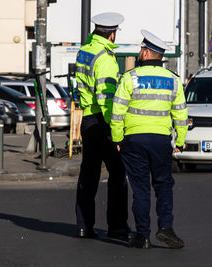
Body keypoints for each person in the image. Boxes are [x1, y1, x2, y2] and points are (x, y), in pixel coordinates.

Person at [110, 29, 188, 249]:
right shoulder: (173, 81)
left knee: (141, 188)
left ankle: (142, 235)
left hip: (133, 141)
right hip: (161, 140)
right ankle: (166, 228)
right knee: (163, 185)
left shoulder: (129, 78)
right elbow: (181, 115)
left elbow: (118, 113)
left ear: (145, 53)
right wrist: (180, 141)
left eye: (141, 49)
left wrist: (117, 138)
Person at [75, 12, 129, 239]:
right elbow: (106, 99)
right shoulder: (105, 59)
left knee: (88, 174)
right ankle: (117, 228)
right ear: (113, 34)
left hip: (87, 120)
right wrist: (115, 130)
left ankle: (83, 226)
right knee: (118, 174)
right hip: (102, 121)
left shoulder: (85, 51)